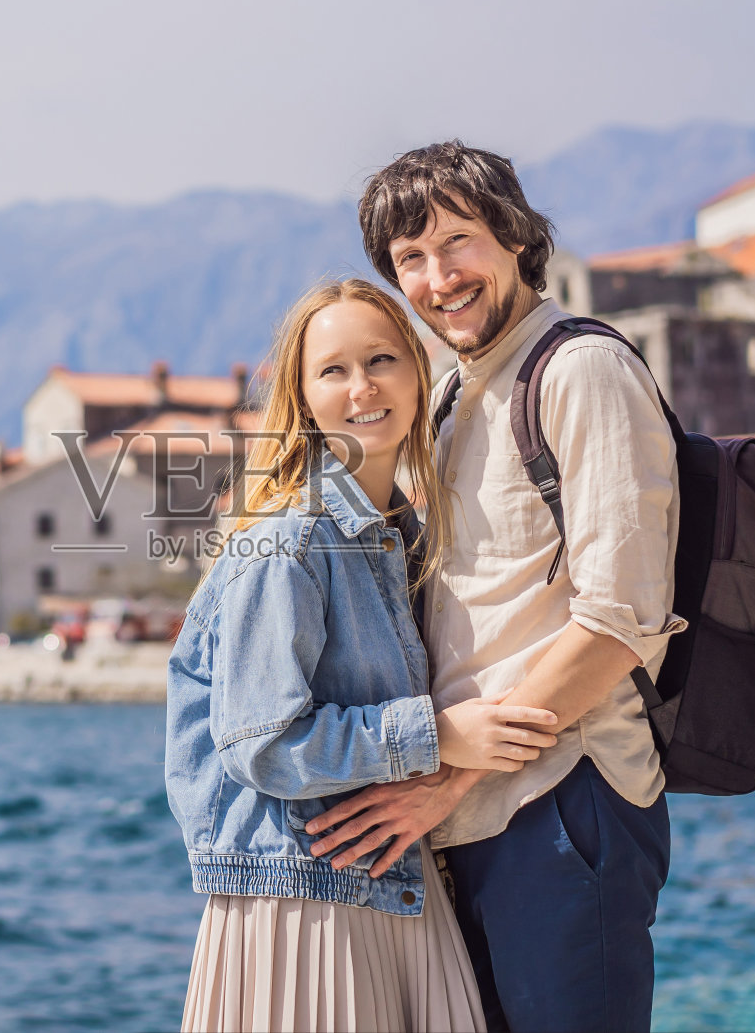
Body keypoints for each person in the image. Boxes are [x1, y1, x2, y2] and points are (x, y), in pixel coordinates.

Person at [306, 142, 685, 1032]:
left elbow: (621, 622)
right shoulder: (446, 393)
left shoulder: (581, 369)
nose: (439, 277)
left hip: (565, 804)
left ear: (514, 235)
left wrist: (443, 775)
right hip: (466, 817)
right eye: (411, 260)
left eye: (458, 241)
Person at [165, 278, 557, 1032]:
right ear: (303, 396)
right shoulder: (289, 541)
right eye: (333, 370)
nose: (362, 386)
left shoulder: (403, 538)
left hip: (395, 885)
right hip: (305, 907)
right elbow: (260, 741)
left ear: (418, 371)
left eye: (381, 359)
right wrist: (439, 734)